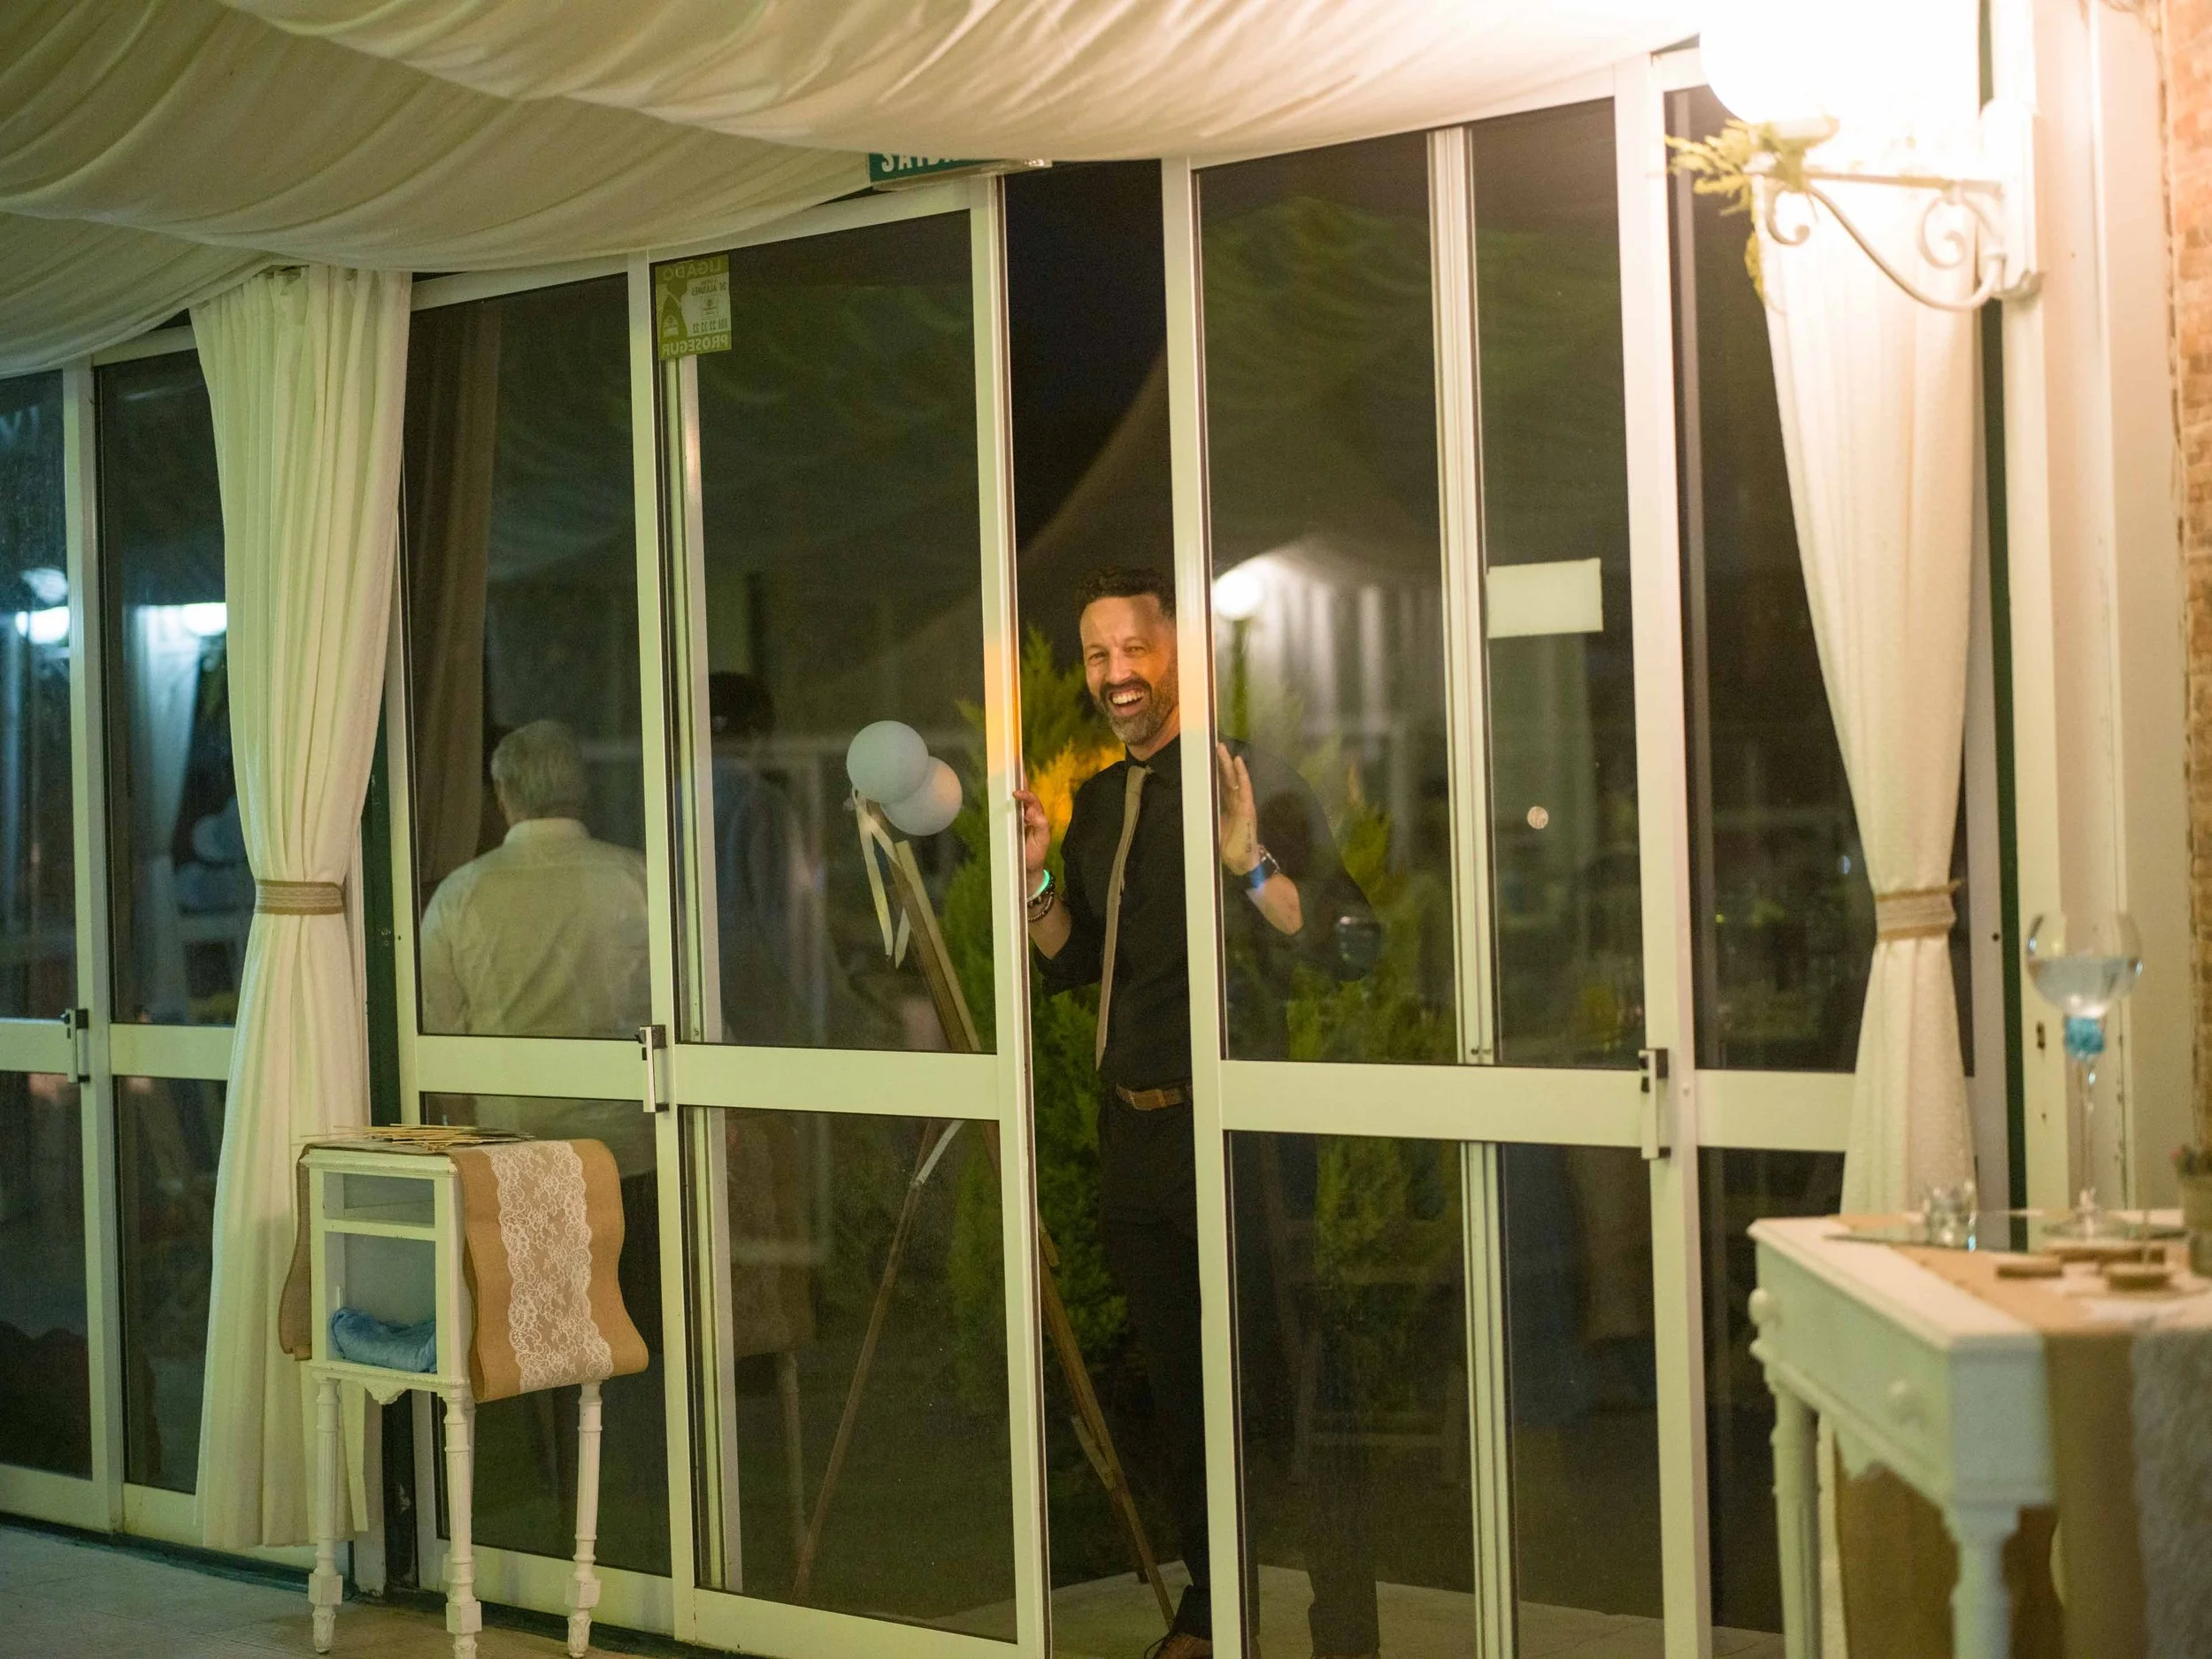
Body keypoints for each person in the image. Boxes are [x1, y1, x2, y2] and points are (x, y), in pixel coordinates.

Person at [1015, 566, 1378, 1659]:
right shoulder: (1096, 807)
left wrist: (1247, 861)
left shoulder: (1247, 778)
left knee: (1285, 1395)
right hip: (1135, 1139)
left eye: (1135, 648)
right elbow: (1077, 964)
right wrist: (1035, 885)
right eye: (1096, 654)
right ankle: (1217, 1609)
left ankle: (1344, 1625)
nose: (1114, 674)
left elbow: (1348, 942)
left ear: (1180, 654)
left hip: (1237, 1142)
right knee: (1180, 1398)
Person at [418, 718, 659, 1340]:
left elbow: (442, 1047)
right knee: (641, 1331)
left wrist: (470, 1147)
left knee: (534, 1343)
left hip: (516, 1151)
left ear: (502, 795)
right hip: (631, 1148)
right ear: (581, 790)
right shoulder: (640, 880)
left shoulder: (459, 897)